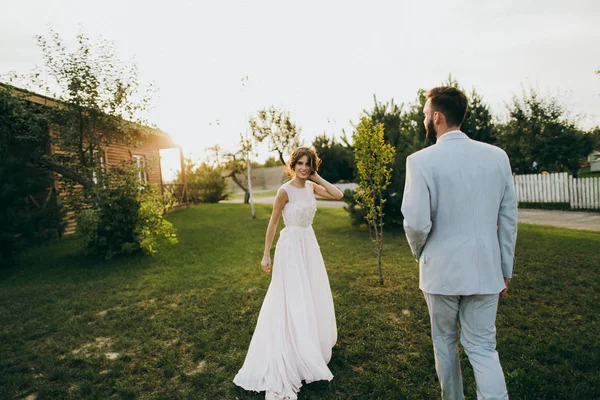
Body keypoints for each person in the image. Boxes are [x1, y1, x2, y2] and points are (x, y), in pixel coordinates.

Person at [401, 86, 518, 400]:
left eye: (427, 114)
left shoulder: (420, 161)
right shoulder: (497, 157)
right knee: (482, 347)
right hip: (486, 271)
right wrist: (505, 269)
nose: (426, 118)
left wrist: (419, 251)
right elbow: (508, 219)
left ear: (437, 116)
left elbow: (415, 222)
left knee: (445, 343)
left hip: (440, 271)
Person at [233, 147, 344, 400]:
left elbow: (338, 194)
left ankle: (308, 344)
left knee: (311, 293)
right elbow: (272, 222)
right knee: (293, 296)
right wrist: (266, 254)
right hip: (290, 247)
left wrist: (316, 178)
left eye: (309, 164)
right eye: (301, 164)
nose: (304, 167)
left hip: (309, 245)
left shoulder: (311, 186)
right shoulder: (284, 191)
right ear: (292, 165)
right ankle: (291, 349)